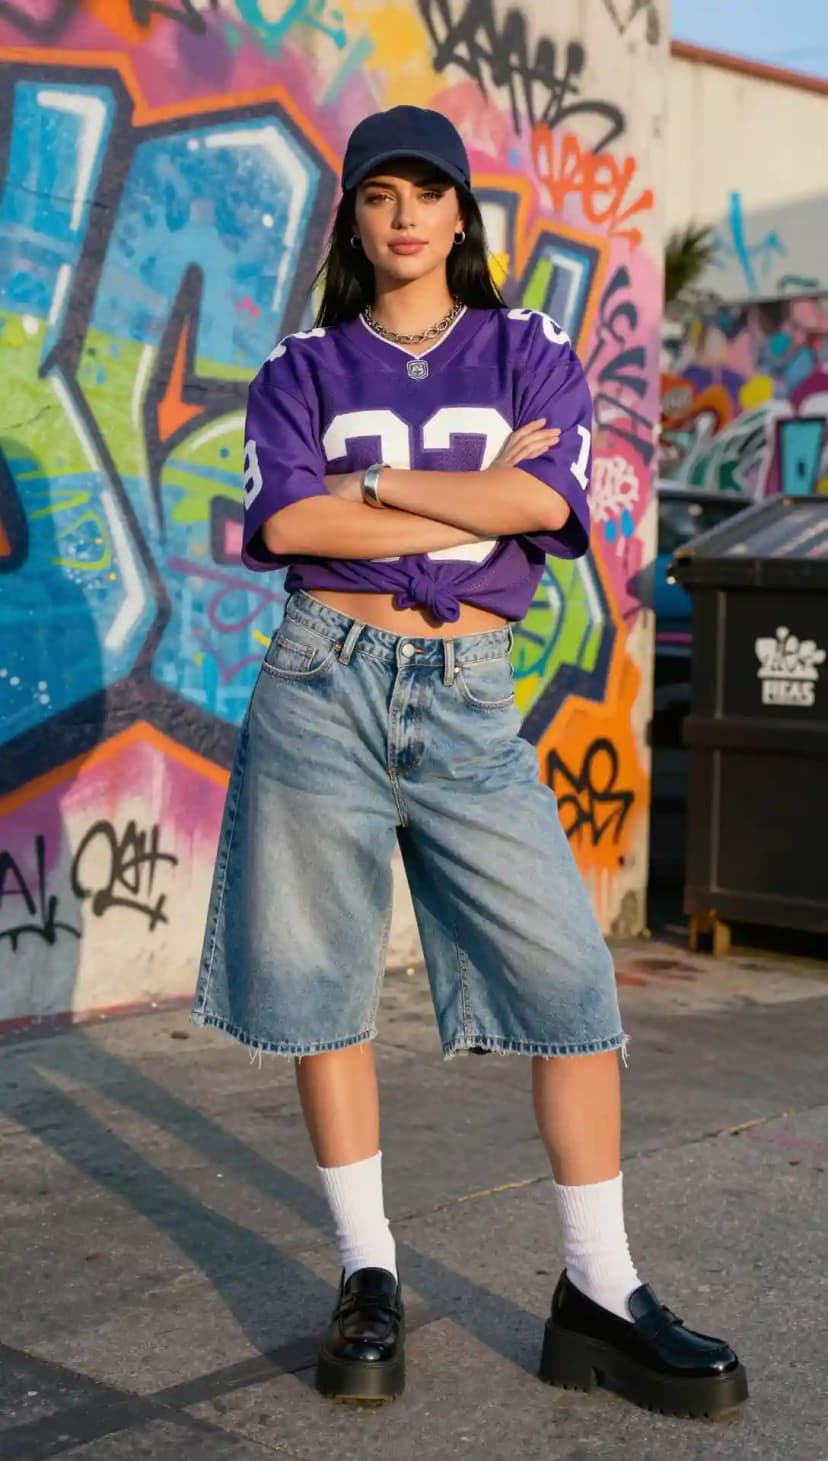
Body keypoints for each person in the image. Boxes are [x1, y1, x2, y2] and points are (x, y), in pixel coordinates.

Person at [193, 106, 747, 1418]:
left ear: (459, 214)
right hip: (321, 679)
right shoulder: (304, 366)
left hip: (466, 694)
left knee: (570, 980)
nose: (402, 216)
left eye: (425, 192)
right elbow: (288, 515)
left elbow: (546, 502)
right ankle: (367, 1272)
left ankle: (600, 1289)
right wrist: (448, 489)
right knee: (326, 989)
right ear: (355, 217)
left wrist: (372, 492)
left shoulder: (525, 348)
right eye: (378, 194)